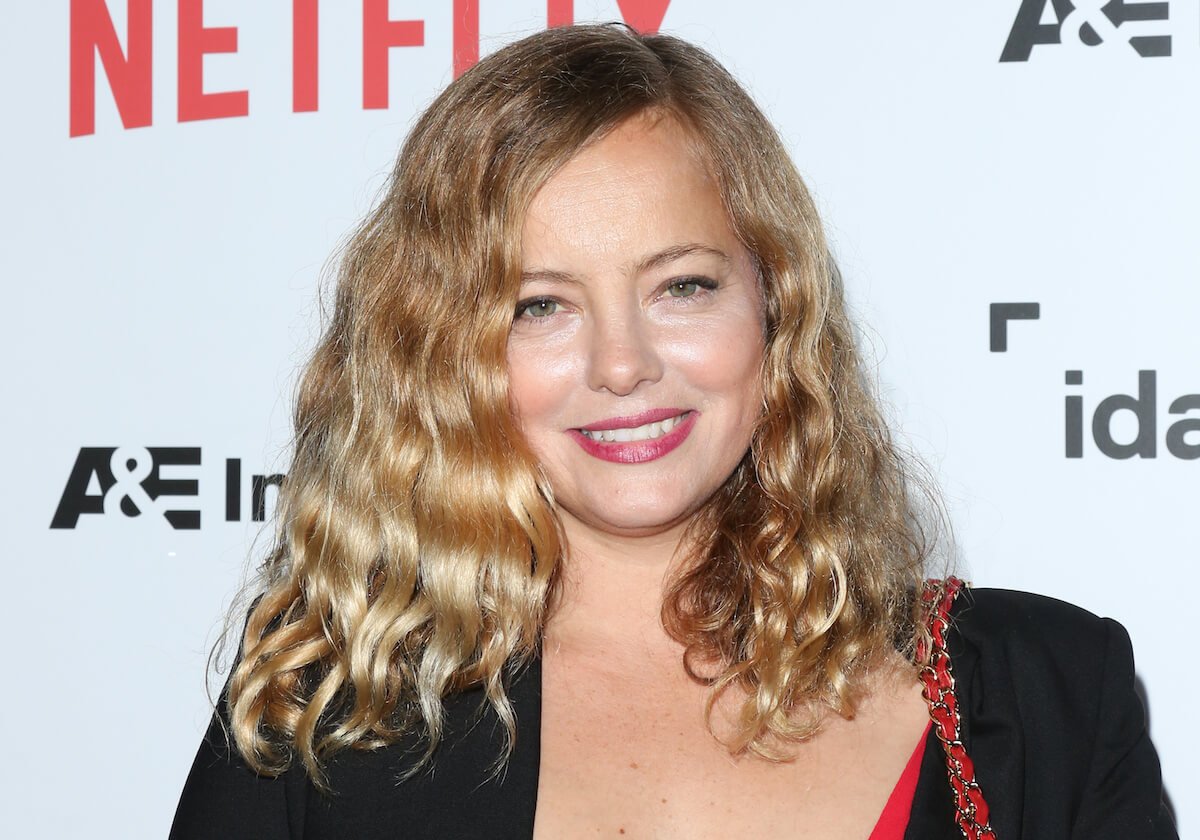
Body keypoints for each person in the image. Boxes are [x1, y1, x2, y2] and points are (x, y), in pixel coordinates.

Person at [170, 23, 1175, 839]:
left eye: (682, 286)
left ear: (775, 303)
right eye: (538, 306)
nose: (623, 364)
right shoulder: (328, 711)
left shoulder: (1048, 695)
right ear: (443, 355)